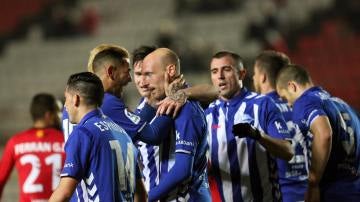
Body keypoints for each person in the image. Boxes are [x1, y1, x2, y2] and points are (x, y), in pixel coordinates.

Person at [205, 51, 294, 202]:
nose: (220, 76)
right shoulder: (207, 114)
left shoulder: (262, 104)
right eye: (214, 71)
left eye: (226, 69)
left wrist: (258, 135)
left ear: (241, 74)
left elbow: (288, 151)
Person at [49, 72, 140, 201]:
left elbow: (64, 193)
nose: (65, 106)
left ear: (76, 98)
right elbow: (141, 194)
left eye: (66, 99)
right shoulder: (123, 134)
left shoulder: (83, 133)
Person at [276, 64, 360, 202]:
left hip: (334, 191)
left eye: (285, 98)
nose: (288, 104)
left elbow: (324, 134)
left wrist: (313, 180)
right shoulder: (341, 103)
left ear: (292, 86)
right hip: (354, 187)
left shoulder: (304, 102)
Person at [141, 48, 211, 201]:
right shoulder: (154, 102)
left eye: (149, 75)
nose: (143, 83)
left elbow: (183, 169)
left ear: (170, 70)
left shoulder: (185, 108)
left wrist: (146, 199)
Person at [252, 50, 308, 201]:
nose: (253, 78)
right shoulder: (304, 105)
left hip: (281, 193)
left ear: (262, 77)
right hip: (310, 191)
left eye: (255, 74)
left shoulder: (259, 109)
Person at [0, 93, 65, 202]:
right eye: (55, 113)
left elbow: (1, 178)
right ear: (48, 115)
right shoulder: (65, 140)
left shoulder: (16, 142)